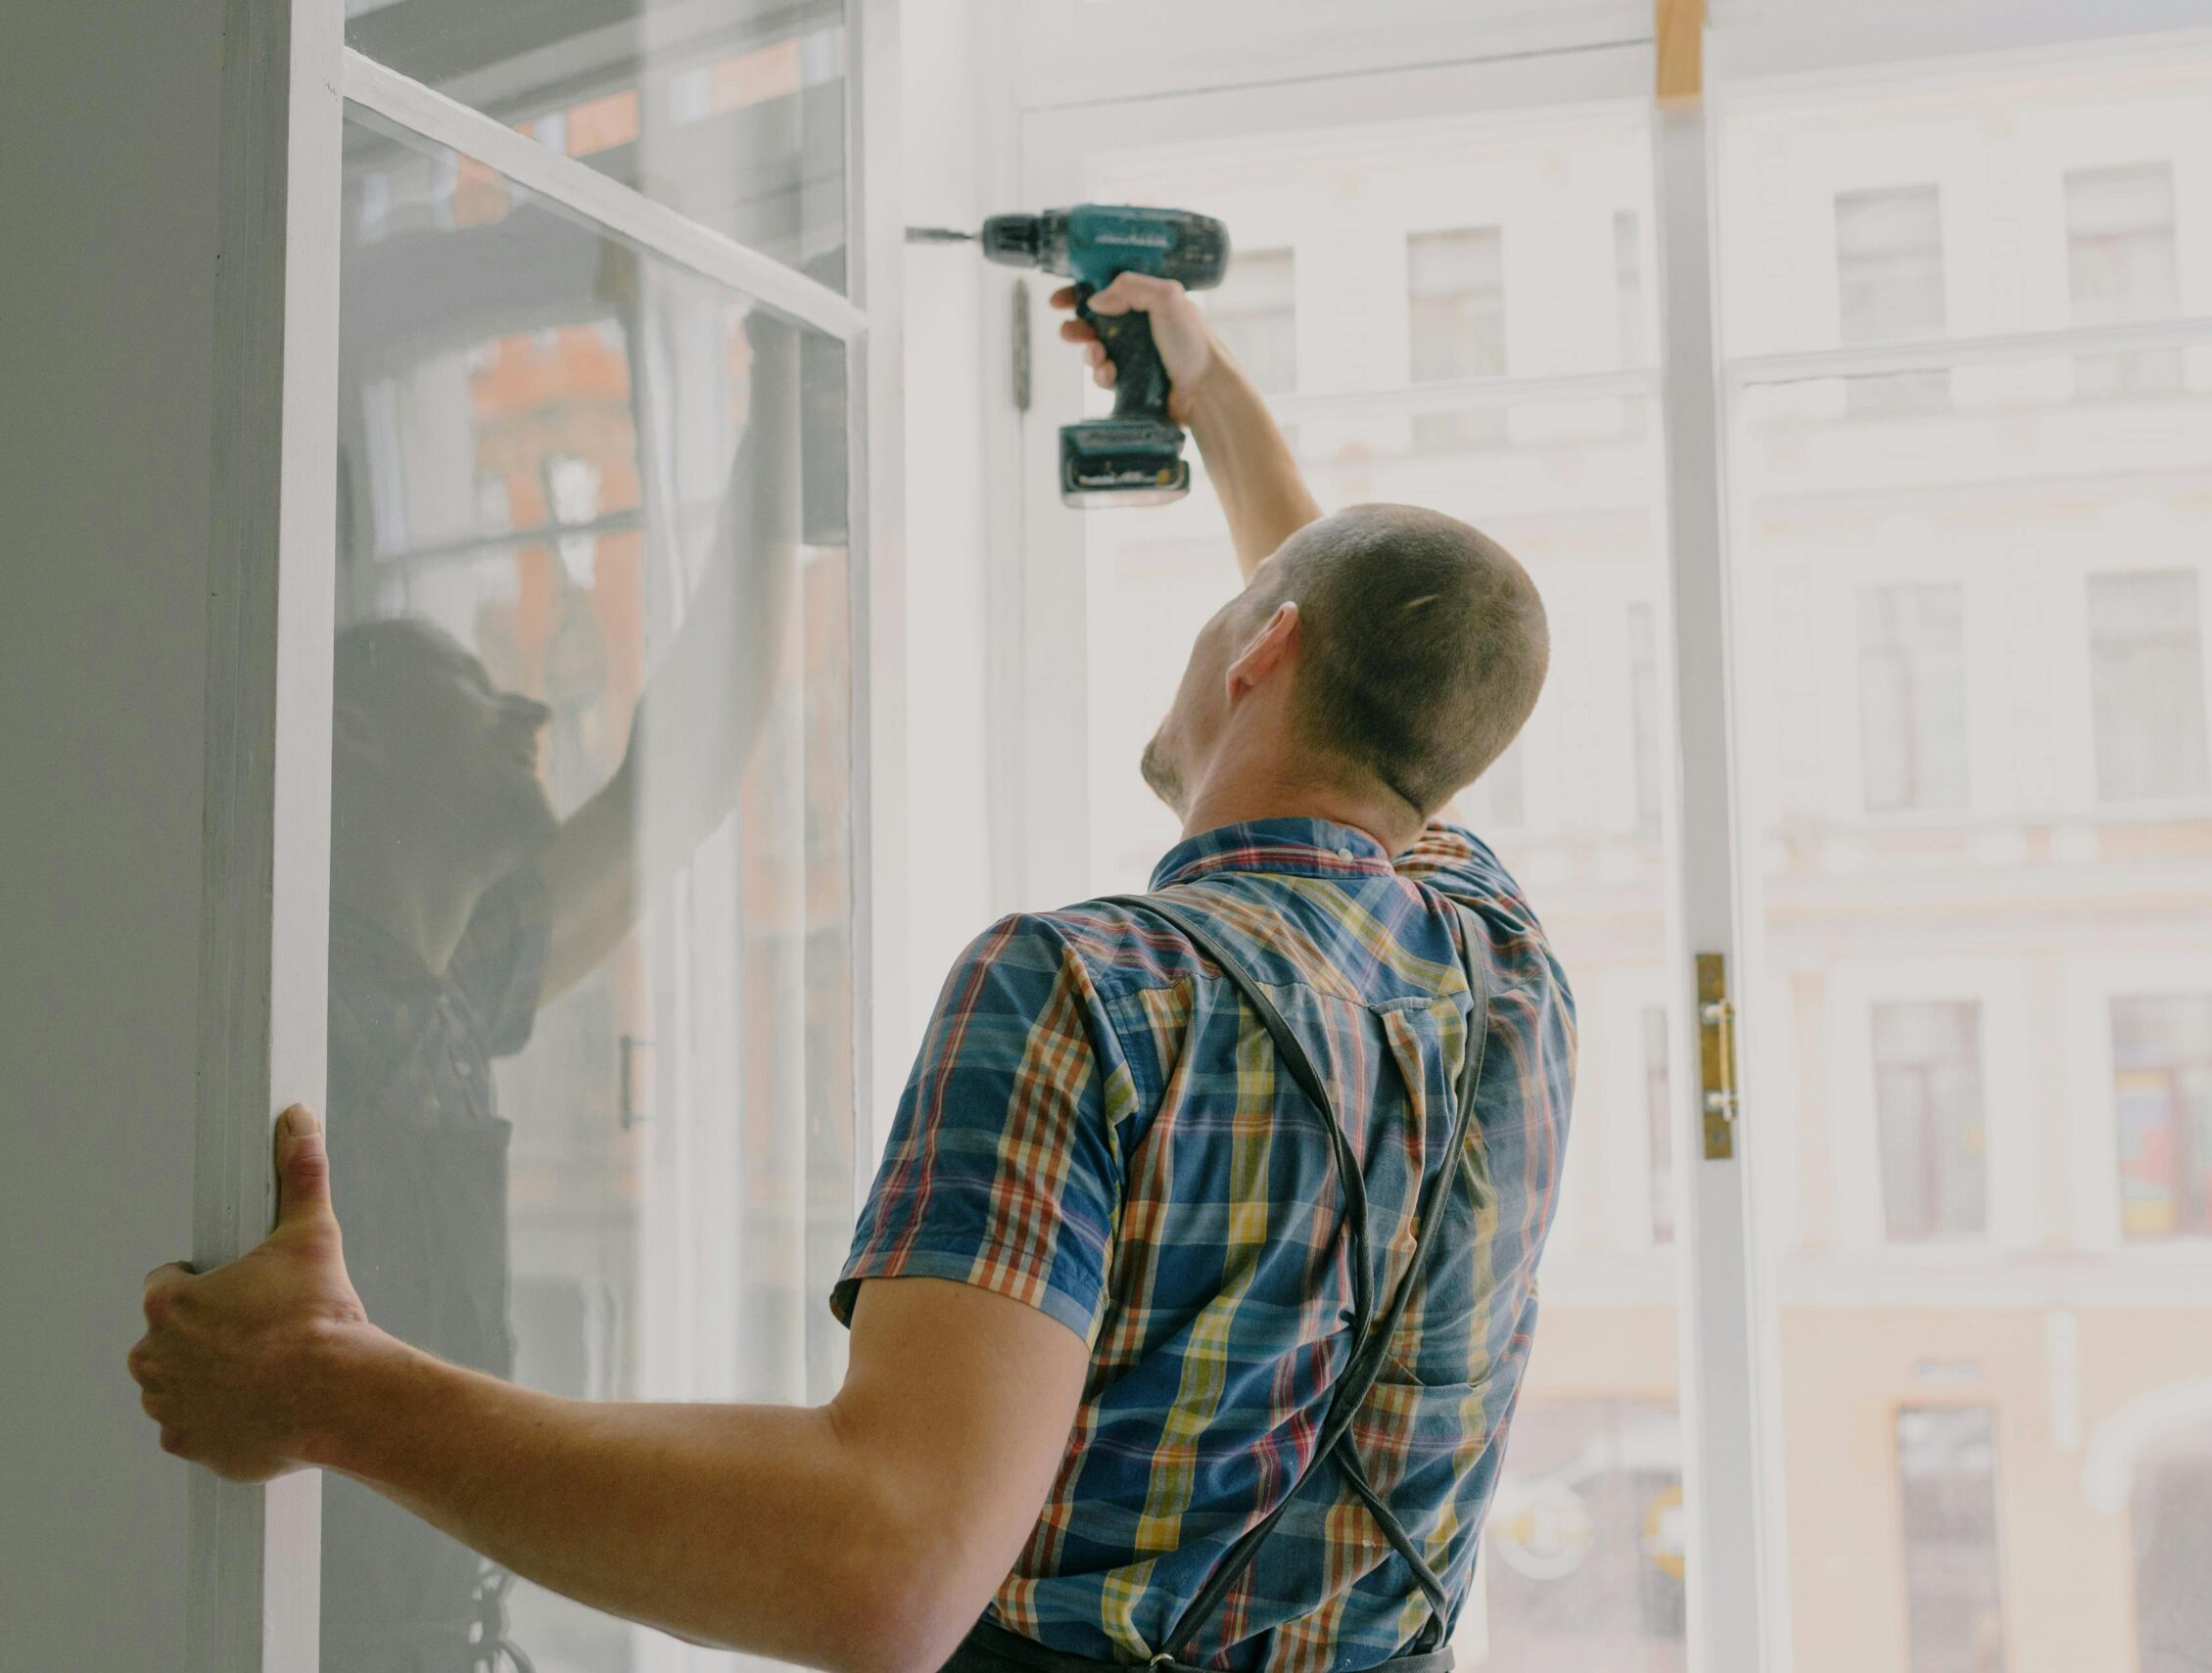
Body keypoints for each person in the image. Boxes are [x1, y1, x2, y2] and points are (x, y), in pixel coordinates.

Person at [130, 270, 1577, 1673]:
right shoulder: (1506, 977)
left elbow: (885, 1566)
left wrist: (325, 1387)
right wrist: (1204, 396)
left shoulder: (1091, 993)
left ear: (1263, 651)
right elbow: (1394, 688)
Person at [316, 297, 805, 1672]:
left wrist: (778, 422)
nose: (530, 710)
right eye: (473, 687)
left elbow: (684, 774)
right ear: (354, 735)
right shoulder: (287, 1010)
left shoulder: (454, 979)